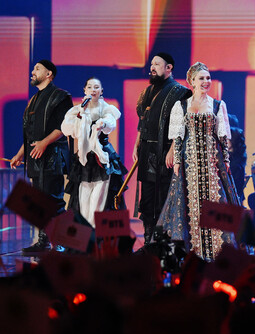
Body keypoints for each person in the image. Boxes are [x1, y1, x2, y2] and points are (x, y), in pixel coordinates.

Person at [157, 62, 240, 259]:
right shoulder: (181, 106)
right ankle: (194, 253)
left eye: (208, 78)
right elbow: (178, 137)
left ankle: (217, 251)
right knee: (188, 203)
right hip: (190, 161)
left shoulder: (218, 105)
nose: (206, 81)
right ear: (192, 81)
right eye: (201, 78)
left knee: (216, 200)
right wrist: (178, 160)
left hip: (212, 161)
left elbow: (222, 137)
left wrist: (226, 160)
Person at [11, 60, 72, 253]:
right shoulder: (33, 100)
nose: (32, 71)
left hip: (52, 158)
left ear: (49, 74)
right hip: (35, 159)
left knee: (54, 201)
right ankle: (44, 241)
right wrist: (20, 154)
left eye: (37, 68)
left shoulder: (61, 97)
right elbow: (31, 135)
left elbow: (63, 127)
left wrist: (44, 143)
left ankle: (63, 243)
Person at [133, 52, 192, 244]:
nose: (152, 67)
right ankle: (148, 241)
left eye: (157, 64)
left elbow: (183, 125)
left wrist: (173, 149)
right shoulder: (146, 93)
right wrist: (137, 144)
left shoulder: (180, 92)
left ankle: (162, 244)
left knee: (163, 199)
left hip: (165, 152)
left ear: (169, 68)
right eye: (152, 64)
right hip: (146, 153)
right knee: (147, 200)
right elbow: (143, 121)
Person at [61, 77, 127, 227]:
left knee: (98, 202)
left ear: (101, 91)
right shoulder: (77, 111)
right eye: (90, 87)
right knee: (83, 200)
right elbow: (67, 129)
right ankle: (85, 234)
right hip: (84, 159)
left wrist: (102, 123)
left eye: (96, 87)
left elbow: (110, 123)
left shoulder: (106, 109)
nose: (93, 90)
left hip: (101, 157)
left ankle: (95, 234)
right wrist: (81, 114)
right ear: (85, 90)